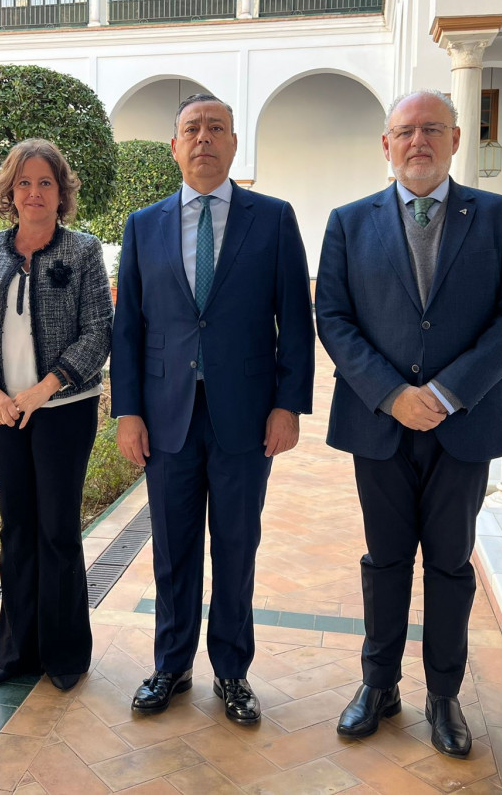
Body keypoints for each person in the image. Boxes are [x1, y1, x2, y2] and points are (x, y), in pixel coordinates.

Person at [315, 90, 502, 756]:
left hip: (464, 422)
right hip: (379, 424)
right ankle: (378, 685)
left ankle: (444, 695)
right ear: (386, 145)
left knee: (448, 561)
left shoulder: (500, 217)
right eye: (405, 131)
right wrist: (391, 394)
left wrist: (444, 391)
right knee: (385, 560)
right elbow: (333, 317)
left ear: (455, 139)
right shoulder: (349, 222)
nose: (418, 141)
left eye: (431, 129)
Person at [111, 94, 314, 724]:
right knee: (172, 549)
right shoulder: (143, 225)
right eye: (192, 130)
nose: (204, 139)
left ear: (233, 145)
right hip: (167, 414)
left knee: (235, 545)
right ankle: (171, 665)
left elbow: (295, 323)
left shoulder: (273, 219)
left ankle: (232, 671)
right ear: (174, 147)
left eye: (216, 129)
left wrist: (288, 406)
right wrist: (128, 412)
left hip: (245, 417)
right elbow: (129, 328)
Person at [0, 139, 112, 692]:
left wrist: (45, 388)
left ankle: (65, 654)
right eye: (24, 182)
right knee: (17, 527)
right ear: (10, 192)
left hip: (64, 411)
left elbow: (98, 332)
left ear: (61, 192)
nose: (35, 192)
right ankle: (16, 650)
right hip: (3, 414)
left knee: (58, 530)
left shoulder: (84, 251)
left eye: (46, 182)